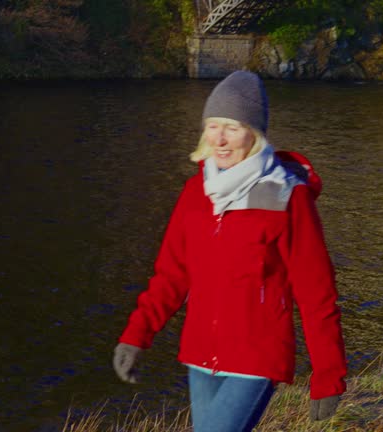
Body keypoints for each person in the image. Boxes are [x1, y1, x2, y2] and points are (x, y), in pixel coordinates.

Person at [112, 71, 347, 432]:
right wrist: (136, 335)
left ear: (254, 134)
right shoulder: (195, 193)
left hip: (256, 356)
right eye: (213, 126)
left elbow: (317, 295)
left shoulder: (287, 197)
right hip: (200, 354)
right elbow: (171, 276)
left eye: (232, 127)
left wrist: (328, 375)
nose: (219, 139)